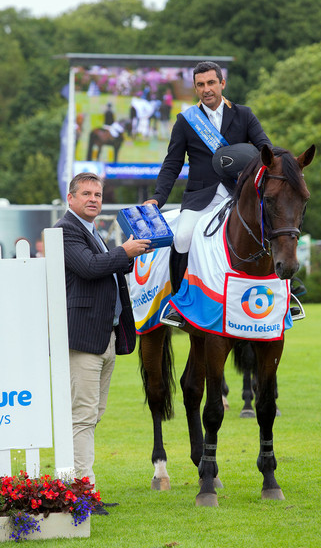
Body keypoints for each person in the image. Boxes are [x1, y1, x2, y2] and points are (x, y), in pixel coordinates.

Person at [144, 61, 272, 326]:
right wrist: (158, 197)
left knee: (272, 229)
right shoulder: (185, 121)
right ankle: (180, 302)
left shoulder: (244, 115)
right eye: (200, 85)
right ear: (195, 88)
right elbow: (172, 164)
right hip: (200, 197)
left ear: (222, 84)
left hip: (238, 195)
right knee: (182, 237)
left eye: (211, 83)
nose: (206, 89)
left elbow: (266, 150)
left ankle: (288, 292)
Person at [54, 172, 151, 515]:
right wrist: (122, 251)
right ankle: (83, 493)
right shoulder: (66, 230)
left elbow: (106, 269)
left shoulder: (92, 231)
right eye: (87, 193)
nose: (94, 198)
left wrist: (131, 252)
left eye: (98, 193)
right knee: (82, 417)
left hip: (104, 336)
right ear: (71, 199)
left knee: (93, 415)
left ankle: (83, 488)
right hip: (83, 337)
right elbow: (90, 267)